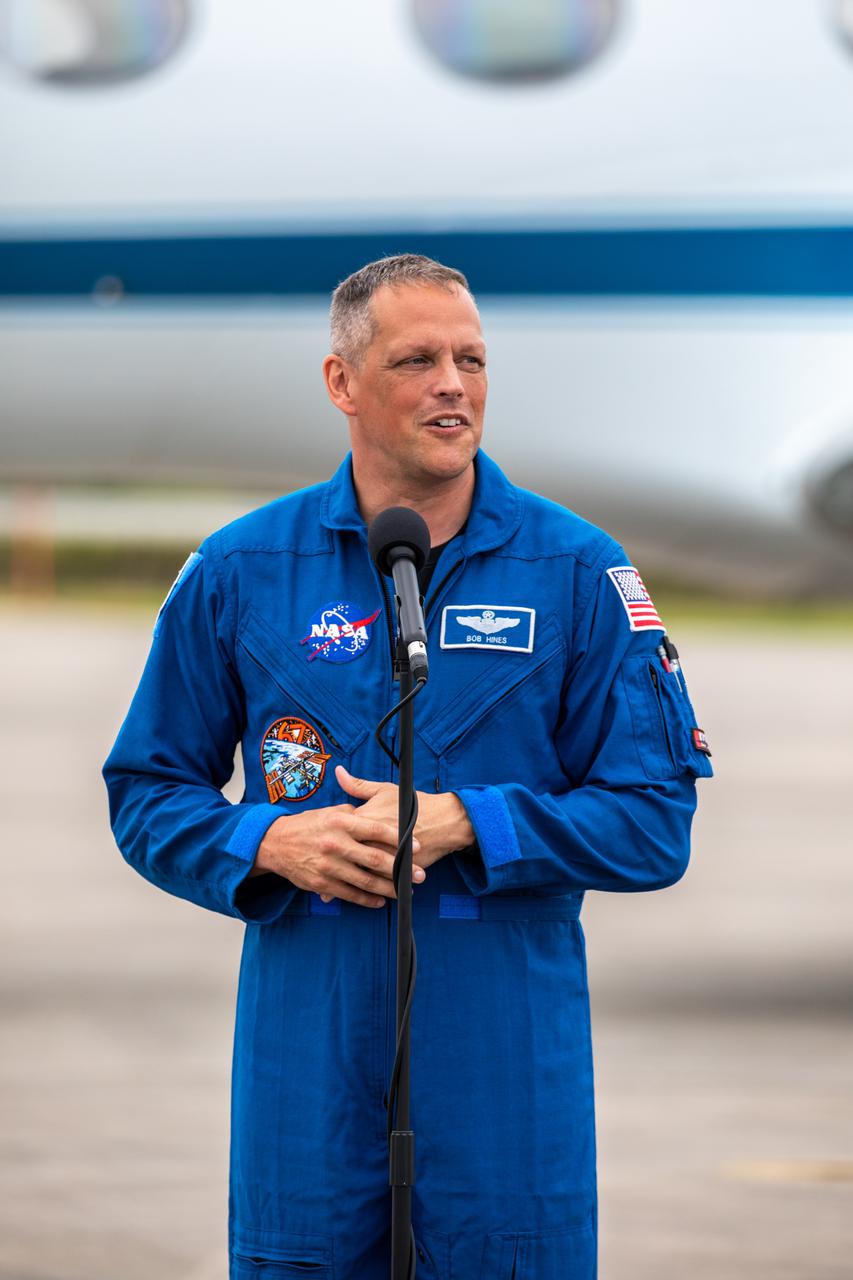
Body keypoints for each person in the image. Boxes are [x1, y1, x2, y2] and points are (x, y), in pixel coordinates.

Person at [103, 254, 713, 1279]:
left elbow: (654, 820)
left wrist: (472, 822)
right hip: (306, 1059)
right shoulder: (242, 569)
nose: (452, 385)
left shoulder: (576, 571)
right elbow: (147, 790)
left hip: (505, 1067)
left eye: (471, 359)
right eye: (417, 359)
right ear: (342, 382)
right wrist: (267, 838)